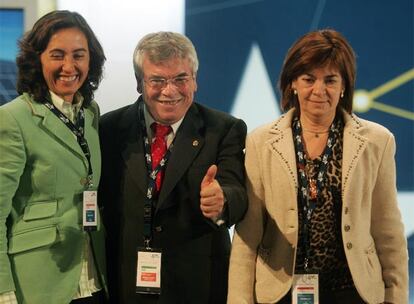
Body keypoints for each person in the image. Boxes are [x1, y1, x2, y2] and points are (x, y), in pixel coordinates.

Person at [227, 29, 408, 304]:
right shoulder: (260, 142)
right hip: (281, 293)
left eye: (330, 80)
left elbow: (389, 233)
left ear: (344, 85)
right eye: (308, 79)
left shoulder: (377, 142)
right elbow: (247, 235)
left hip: (353, 292)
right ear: (293, 84)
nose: (319, 90)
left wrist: (395, 298)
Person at [99, 31, 248, 304]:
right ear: (139, 83)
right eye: (157, 80)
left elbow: (236, 191)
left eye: (181, 78)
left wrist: (221, 201)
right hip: (125, 286)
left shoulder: (224, 129)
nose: (170, 91)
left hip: (198, 286)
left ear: (195, 80)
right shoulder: (109, 129)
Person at [0, 10, 107, 304]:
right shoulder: (13, 118)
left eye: (79, 55)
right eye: (57, 55)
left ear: (91, 60)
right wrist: (2, 289)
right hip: (37, 285)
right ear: (38, 60)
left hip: (93, 279)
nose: (69, 66)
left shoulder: (89, 113)